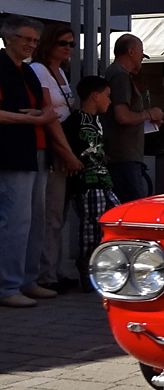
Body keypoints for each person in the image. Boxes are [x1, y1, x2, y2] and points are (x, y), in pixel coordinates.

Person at [0, 15, 62, 307]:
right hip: (12, 153)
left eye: (35, 40)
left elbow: (44, 109)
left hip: (38, 151)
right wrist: (28, 118)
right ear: (8, 38)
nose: (31, 44)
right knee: (16, 221)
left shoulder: (28, 72)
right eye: (26, 38)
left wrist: (36, 116)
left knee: (36, 220)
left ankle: (27, 281)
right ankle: (7, 286)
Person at [30, 23, 85, 293]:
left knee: (59, 216)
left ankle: (54, 269)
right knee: (50, 215)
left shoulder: (62, 73)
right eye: (64, 43)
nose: (68, 49)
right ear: (49, 44)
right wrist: (67, 153)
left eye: (72, 44)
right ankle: (45, 273)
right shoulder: (39, 70)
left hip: (65, 148)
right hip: (54, 148)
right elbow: (48, 115)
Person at [63, 76, 119, 291]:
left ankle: (103, 263)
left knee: (115, 216)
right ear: (95, 96)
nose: (109, 101)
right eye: (107, 96)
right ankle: (87, 268)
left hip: (104, 180)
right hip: (86, 183)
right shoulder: (75, 121)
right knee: (91, 226)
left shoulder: (97, 121)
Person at [102, 34, 163, 203]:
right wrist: (149, 114)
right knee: (131, 208)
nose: (142, 58)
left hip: (121, 155)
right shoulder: (120, 76)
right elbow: (122, 116)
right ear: (131, 51)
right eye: (141, 53)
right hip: (123, 156)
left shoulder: (115, 73)